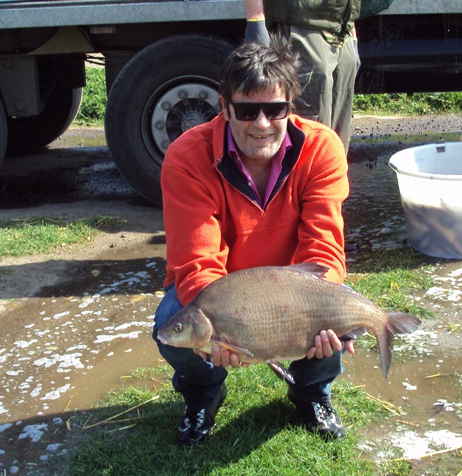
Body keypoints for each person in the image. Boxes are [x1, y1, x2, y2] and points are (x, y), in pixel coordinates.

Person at [152, 37, 354, 446]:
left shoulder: (322, 148)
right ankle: (203, 394)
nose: (261, 124)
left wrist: (324, 305)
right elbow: (195, 261)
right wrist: (217, 332)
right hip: (221, 290)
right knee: (173, 321)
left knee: (332, 310)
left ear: (290, 105)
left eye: (275, 109)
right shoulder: (187, 157)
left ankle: (312, 392)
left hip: (292, 284)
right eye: (246, 111)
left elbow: (324, 249)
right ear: (224, 107)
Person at [243, 0, 360, 152]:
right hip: (300, 25)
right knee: (307, 140)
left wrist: (352, 31)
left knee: (338, 142)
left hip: (342, 28)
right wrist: (256, 20)